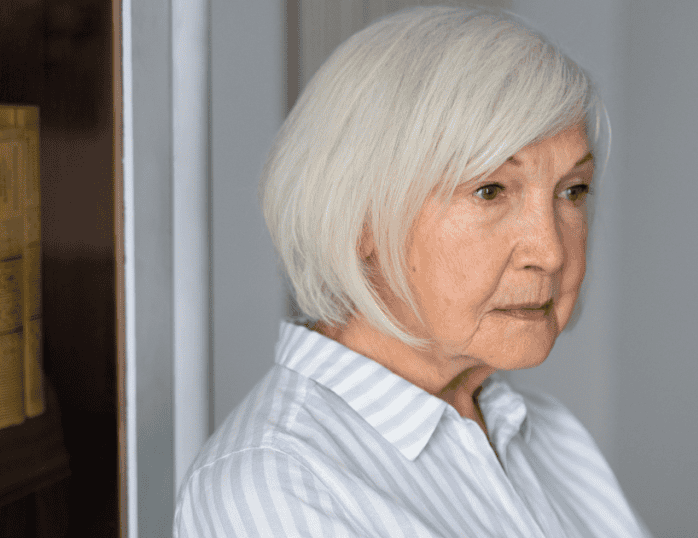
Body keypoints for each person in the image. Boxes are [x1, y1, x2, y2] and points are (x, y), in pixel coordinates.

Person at [174, 5, 649, 537]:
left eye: (572, 190)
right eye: (490, 190)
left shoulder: (550, 434)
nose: (551, 251)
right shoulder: (278, 484)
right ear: (361, 217)